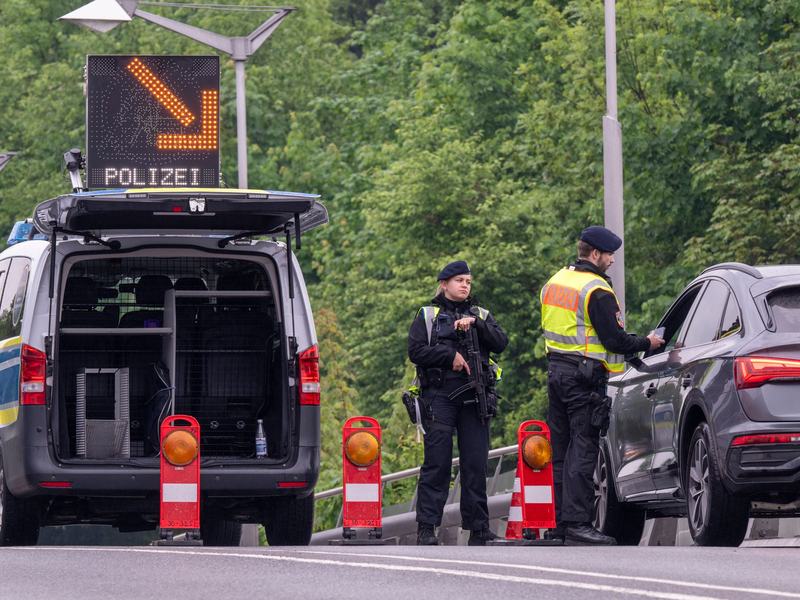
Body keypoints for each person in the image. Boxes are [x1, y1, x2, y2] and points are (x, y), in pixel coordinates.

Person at [541, 226, 664, 546]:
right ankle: (578, 523)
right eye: (609, 255)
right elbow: (616, 339)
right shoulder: (596, 289)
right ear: (595, 254)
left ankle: (559, 525)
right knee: (583, 452)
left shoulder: (555, 282)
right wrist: (647, 343)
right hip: (584, 381)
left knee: (562, 454)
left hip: (556, 374)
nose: (611, 261)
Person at [408, 260, 509, 546]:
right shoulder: (428, 315)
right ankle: (427, 529)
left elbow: (501, 342)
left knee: (475, 464)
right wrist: (448, 356)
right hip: (439, 397)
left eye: (468, 281)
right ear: (444, 284)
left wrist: (476, 324)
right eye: (459, 280)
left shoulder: (481, 313)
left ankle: (479, 530)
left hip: (475, 397)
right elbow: (415, 351)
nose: (465, 285)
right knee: (437, 464)